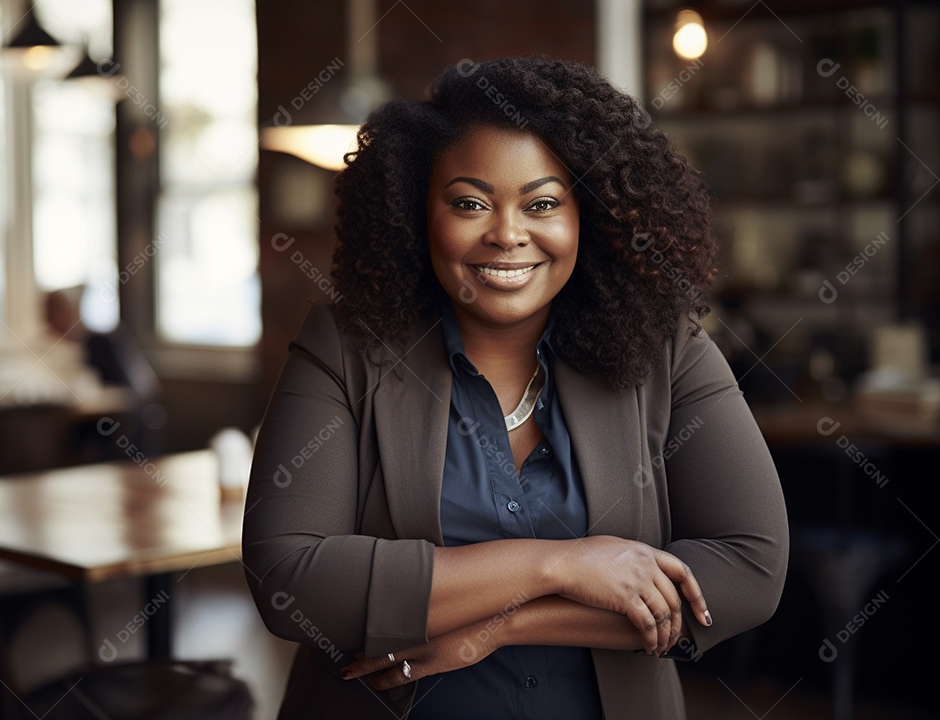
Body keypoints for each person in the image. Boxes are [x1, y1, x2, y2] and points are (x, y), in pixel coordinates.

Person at [242, 56, 789, 719]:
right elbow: (290, 579)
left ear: (589, 216)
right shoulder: (346, 347)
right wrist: (559, 565)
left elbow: (749, 569)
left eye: (543, 203)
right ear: (418, 212)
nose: (506, 234)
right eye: (470, 203)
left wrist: (502, 626)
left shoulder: (666, 350)